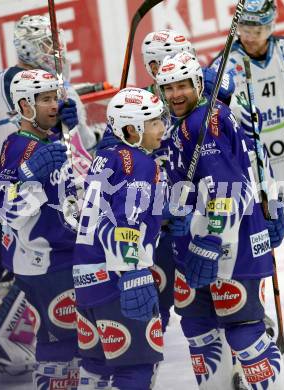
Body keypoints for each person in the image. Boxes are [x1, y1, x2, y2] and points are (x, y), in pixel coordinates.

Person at [155, 51, 284, 389]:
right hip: (195, 245)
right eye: (168, 88)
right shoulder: (180, 123)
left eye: (183, 85)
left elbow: (228, 190)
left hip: (229, 247)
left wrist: (211, 241)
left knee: (243, 331)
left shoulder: (204, 123)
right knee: (199, 331)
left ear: (199, 84)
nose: (176, 94)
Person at [0, 13, 94, 379]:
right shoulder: (15, 87)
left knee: (23, 277)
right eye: (47, 43)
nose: (55, 50)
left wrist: (75, 128)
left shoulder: (40, 86)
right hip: (3, 199)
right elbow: (33, 146)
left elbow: (78, 153)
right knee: (19, 276)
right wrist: (65, 127)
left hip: (24, 199)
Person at [211, 0, 284, 341]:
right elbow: (222, 130)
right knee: (254, 248)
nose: (253, 37)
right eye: (246, 29)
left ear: (273, 23)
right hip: (256, 182)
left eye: (260, 28)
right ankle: (255, 312)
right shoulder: (224, 68)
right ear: (236, 26)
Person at [0, 68, 80, 389]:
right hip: (44, 261)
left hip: (61, 254)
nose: (54, 105)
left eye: (55, 97)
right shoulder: (19, 147)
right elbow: (7, 210)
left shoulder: (50, 137)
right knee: (62, 344)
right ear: (25, 107)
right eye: (44, 100)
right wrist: (28, 175)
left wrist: (73, 132)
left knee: (74, 342)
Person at [73, 87, 167, 390]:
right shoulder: (141, 163)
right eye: (153, 122)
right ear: (131, 129)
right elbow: (127, 221)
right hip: (118, 279)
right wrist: (134, 272)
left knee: (95, 370)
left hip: (86, 281)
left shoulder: (105, 156)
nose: (162, 128)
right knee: (136, 368)